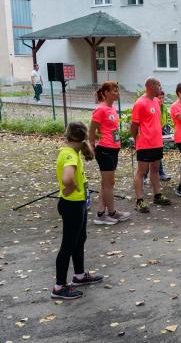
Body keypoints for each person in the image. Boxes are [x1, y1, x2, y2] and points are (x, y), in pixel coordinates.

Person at [52, 122, 103, 300]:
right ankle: (59, 287)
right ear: (82, 137)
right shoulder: (69, 155)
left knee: (80, 239)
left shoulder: (71, 152)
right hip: (71, 205)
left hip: (77, 203)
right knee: (68, 245)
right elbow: (67, 179)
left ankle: (79, 276)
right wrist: (71, 188)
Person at [88, 81, 130, 225]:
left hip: (113, 149)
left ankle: (100, 213)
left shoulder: (112, 109)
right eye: (114, 90)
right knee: (109, 183)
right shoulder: (100, 109)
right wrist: (92, 147)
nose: (117, 93)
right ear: (106, 93)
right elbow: (92, 130)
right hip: (104, 149)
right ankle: (112, 212)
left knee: (106, 183)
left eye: (117, 90)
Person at [131, 77, 172, 213]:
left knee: (155, 169)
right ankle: (139, 201)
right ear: (151, 86)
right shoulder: (140, 103)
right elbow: (134, 125)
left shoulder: (156, 101)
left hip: (156, 142)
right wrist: (136, 139)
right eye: (158, 86)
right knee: (141, 172)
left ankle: (157, 195)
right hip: (144, 143)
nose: (160, 89)